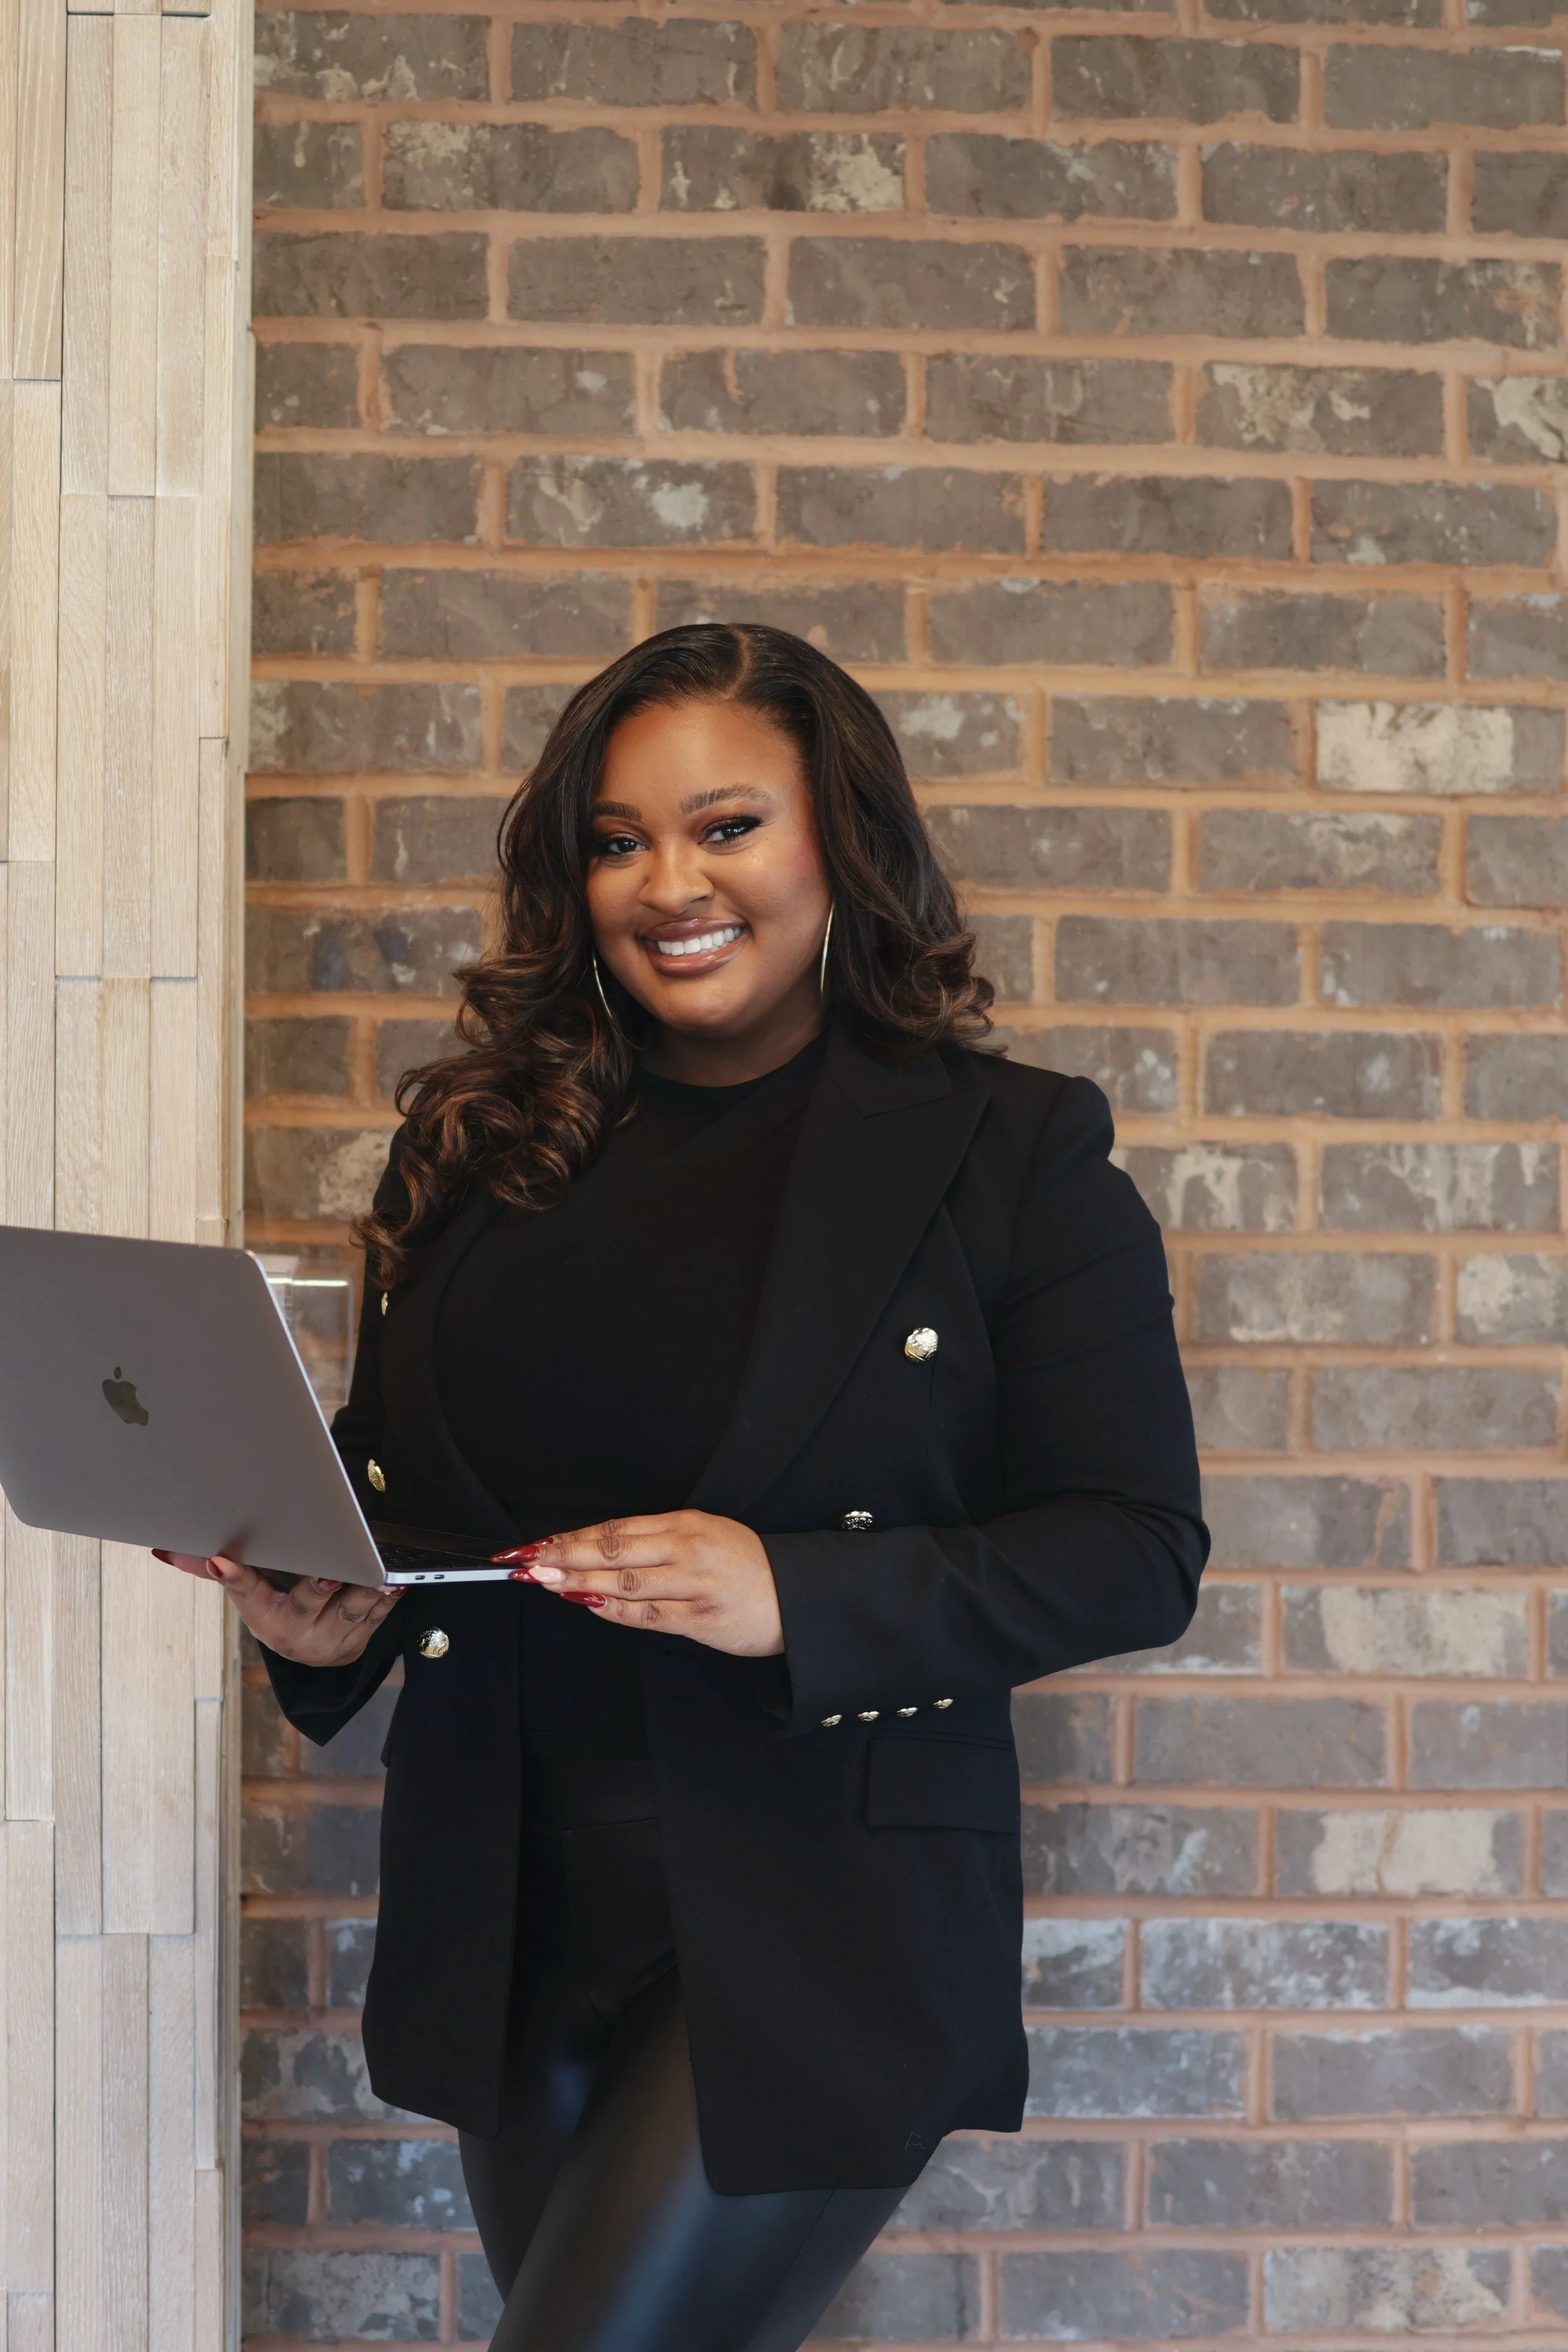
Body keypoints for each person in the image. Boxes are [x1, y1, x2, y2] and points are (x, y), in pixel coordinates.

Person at [161, 624, 1207, 2351]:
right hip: (511, 1905)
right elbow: (413, 1486)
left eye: (726, 826)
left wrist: (790, 1590)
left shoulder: (1009, 1151)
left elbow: (1133, 1548)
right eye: (617, 837)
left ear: (835, 842)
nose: (669, 882)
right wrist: (328, 1600)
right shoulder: (481, 1144)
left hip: (811, 1923)